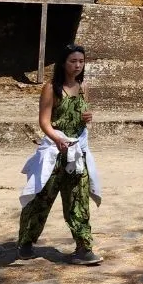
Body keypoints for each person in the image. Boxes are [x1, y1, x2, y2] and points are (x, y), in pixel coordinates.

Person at [18, 44, 102, 264]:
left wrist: (87, 118)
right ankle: (26, 241)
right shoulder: (51, 88)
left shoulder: (84, 87)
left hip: (76, 152)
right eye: (73, 61)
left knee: (78, 199)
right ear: (63, 63)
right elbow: (44, 121)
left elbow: (82, 115)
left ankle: (84, 248)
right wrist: (57, 139)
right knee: (42, 198)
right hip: (55, 152)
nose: (77, 66)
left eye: (81, 61)